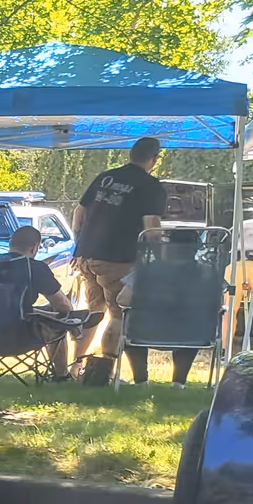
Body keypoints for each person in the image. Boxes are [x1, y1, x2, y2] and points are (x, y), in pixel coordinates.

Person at [71, 137, 166, 385]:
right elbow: (151, 229)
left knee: (93, 312)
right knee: (117, 315)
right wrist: (160, 256)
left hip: (86, 256)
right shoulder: (150, 186)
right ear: (154, 159)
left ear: (130, 154)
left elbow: (79, 210)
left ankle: (75, 367)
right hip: (118, 259)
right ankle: (105, 374)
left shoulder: (106, 177)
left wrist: (79, 241)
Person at [7, 225, 72, 379]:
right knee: (61, 318)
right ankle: (61, 375)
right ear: (35, 248)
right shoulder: (36, 268)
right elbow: (63, 305)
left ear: (11, 243)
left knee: (45, 310)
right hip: (21, 334)